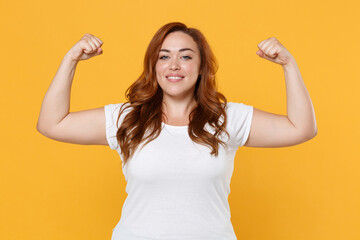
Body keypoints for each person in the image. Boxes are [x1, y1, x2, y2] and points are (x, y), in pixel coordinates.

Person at [36, 22, 317, 240]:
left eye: (185, 56)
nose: (174, 65)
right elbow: (52, 123)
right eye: (164, 57)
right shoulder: (128, 118)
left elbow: (301, 129)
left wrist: (289, 65)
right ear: (154, 66)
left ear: (201, 67)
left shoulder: (228, 118)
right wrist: (70, 60)